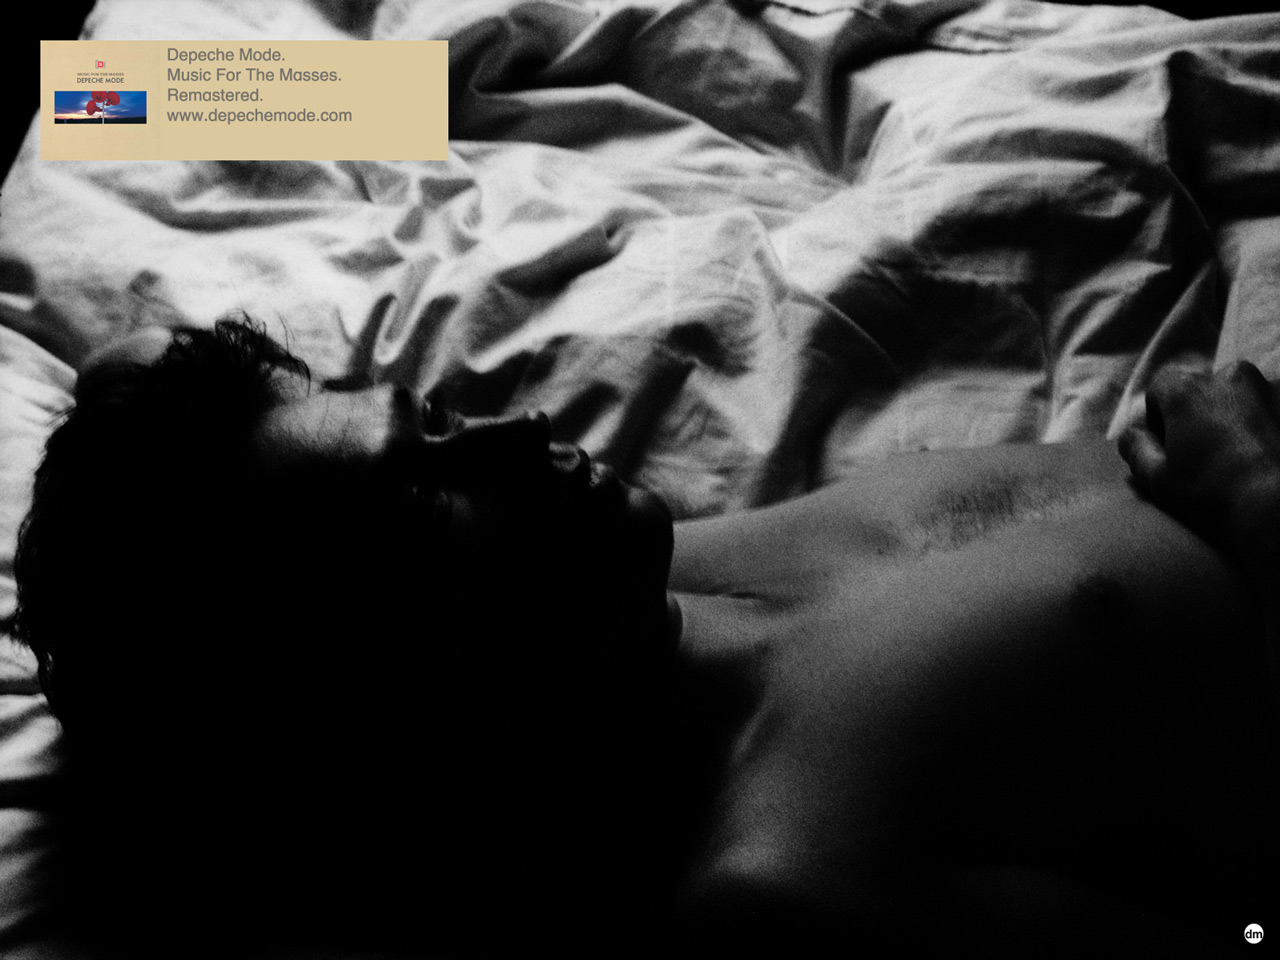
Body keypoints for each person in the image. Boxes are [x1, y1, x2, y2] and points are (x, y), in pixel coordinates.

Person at [7, 319, 1277, 958]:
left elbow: (132, 349)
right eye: (425, 493)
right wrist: (1258, 505)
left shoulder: (637, 580)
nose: (513, 432)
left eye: (436, 418)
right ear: (362, 702)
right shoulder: (787, 882)